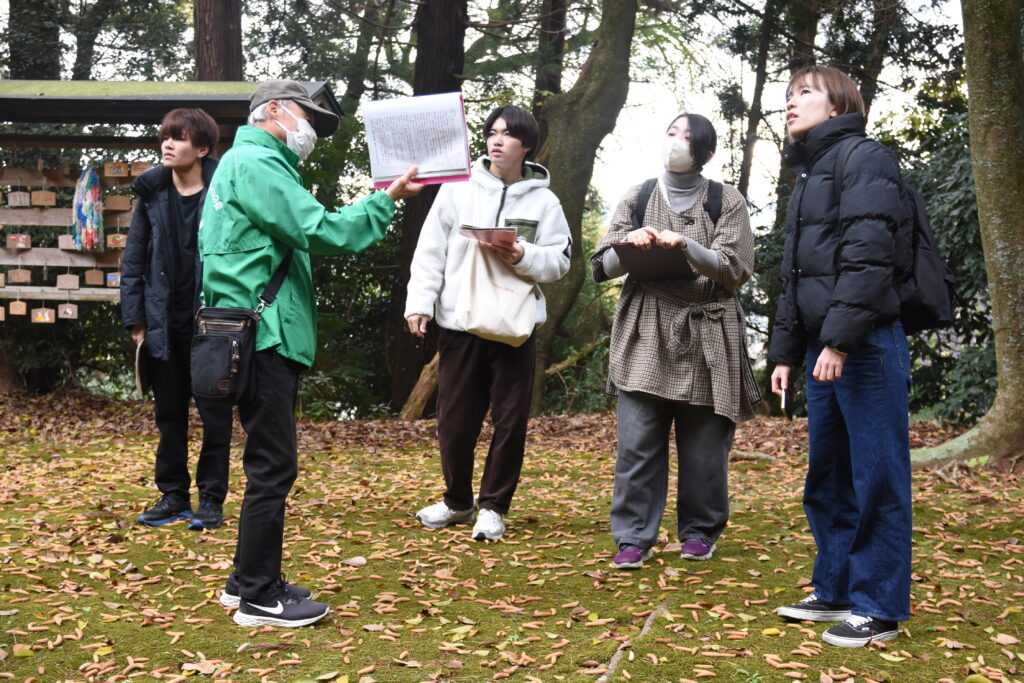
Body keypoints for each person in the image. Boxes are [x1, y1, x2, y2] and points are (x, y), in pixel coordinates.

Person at [200, 79, 422, 628]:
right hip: (262, 335)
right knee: (273, 465)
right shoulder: (254, 162)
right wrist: (385, 199)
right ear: (271, 109)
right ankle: (257, 597)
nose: (312, 133)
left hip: (250, 332)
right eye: (308, 117)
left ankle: (247, 581)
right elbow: (322, 229)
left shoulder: (250, 164)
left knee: (266, 463)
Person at [769, 66, 912, 648]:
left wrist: (838, 340)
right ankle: (835, 590)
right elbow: (795, 274)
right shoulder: (810, 173)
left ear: (839, 105)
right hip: (823, 348)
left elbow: (870, 257)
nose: (791, 104)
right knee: (827, 475)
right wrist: (786, 351)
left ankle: (878, 607)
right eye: (787, 96)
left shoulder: (865, 159)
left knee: (876, 474)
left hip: (865, 345)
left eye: (805, 92)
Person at [592, 113, 761, 571]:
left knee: (705, 446)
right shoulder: (638, 195)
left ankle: (700, 531)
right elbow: (601, 265)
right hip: (646, 327)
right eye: (671, 132)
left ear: (706, 152)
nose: (676, 143)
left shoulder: (726, 201)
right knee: (637, 440)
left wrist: (684, 245)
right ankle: (632, 537)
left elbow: (734, 269)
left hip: (709, 330)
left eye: (687, 137)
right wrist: (631, 243)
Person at [405, 104, 571, 542]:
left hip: (515, 327)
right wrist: (419, 304)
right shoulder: (458, 188)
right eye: (491, 132)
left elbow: (561, 260)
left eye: (508, 135)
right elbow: (430, 250)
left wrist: (524, 256)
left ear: (527, 145)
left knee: (510, 421)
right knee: (455, 421)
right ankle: (457, 501)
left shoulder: (544, 200)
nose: (497, 140)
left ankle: (493, 507)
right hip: (460, 323)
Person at [121, 108, 234, 531]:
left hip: (213, 324)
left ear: (202, 148)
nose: (167, 144)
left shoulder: (226, 191)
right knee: (169, 416)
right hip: (162, 324)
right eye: (166, 136)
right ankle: (172, 495)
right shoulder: (151, 193)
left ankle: (210, 500)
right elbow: (133, 262)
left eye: (180, 138)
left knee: (215, 416)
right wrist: (136, 321)